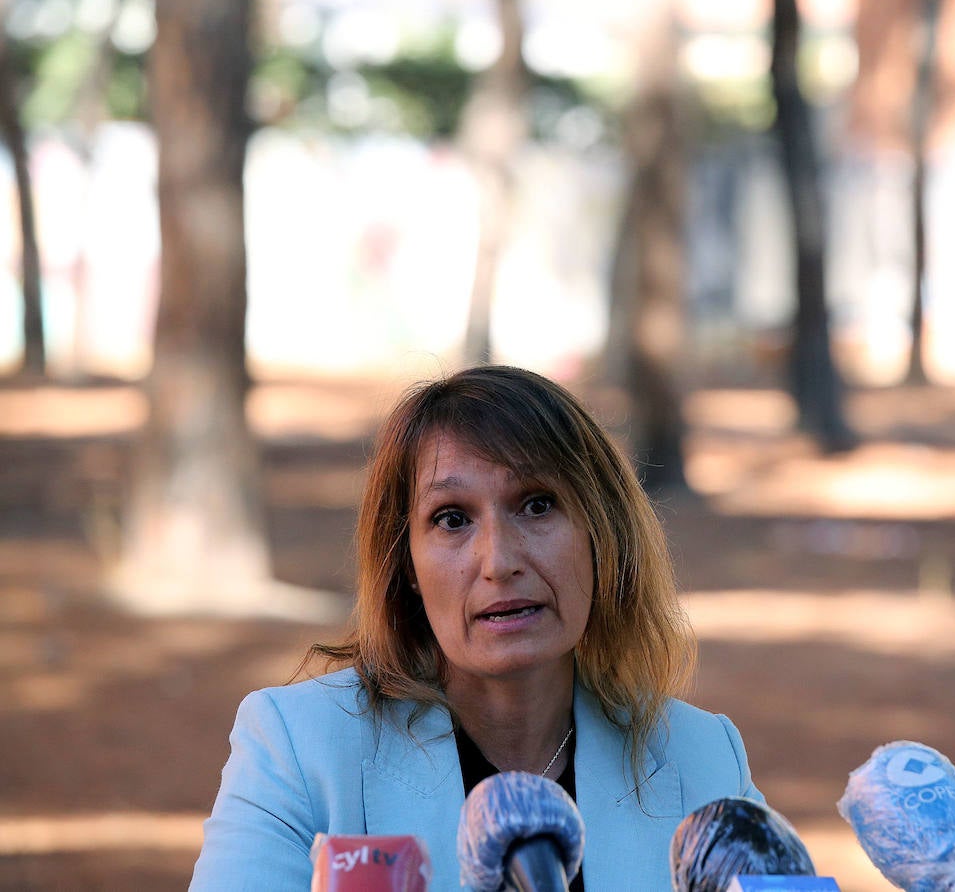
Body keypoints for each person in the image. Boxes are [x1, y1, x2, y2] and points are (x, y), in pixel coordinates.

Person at [189, 365, 763, 891]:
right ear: (407, 566)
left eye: (537, 505)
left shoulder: (703, 758)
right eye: (452, 519)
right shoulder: (299, 748)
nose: (498, 561)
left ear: (600, 534)